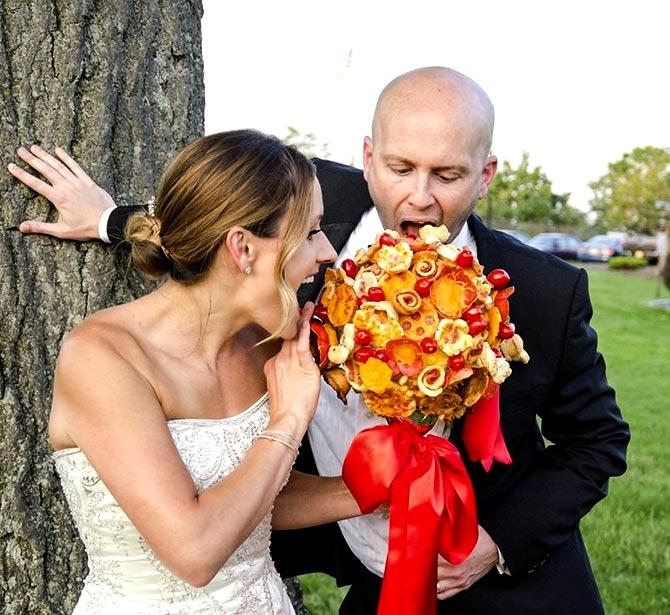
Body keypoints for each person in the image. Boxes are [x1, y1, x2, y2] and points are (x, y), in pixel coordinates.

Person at [10, 67, 630, 615]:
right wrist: (107, 218)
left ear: (485, 174)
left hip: (505, 591)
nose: (419, 196)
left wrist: (494, 543)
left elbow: (598, 440)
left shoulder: (547, 291)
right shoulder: (303, 210)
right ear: (367, 155)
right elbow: (213, 219)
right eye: (400, 168)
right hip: (351, 579)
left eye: (447, 175)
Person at [11, 129, 368, 613]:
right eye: (309, 233)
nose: (326, 252)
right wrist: (288, 422)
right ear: (242, 249)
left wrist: (368, 491)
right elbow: (195, 552)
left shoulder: (263, 349)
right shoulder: (101, 359)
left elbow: (253, 501)